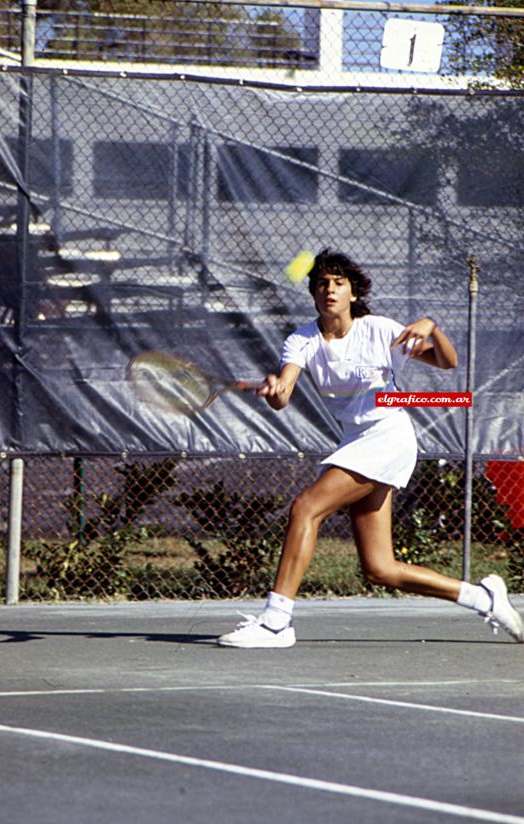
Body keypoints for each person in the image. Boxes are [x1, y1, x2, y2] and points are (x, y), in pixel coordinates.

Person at [218, 248, 523, 648]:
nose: (329, 290)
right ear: (314, 293)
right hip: (355, 442)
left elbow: (447, 362)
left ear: (353, 294)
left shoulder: (379, 330)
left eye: (338, 284)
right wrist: (275, 391)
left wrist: (431, 325)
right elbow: (284, 392)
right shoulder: (302, 340)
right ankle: (483, 597)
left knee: (306, 508)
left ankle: (277, 621)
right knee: (380, 569)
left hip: (389, 437)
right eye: (322, 284)